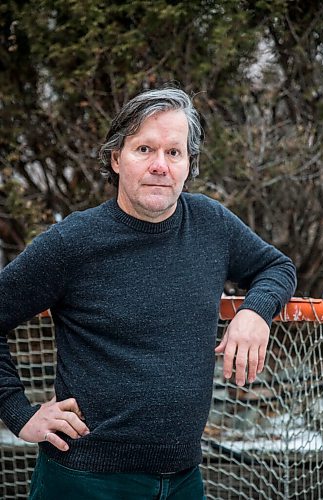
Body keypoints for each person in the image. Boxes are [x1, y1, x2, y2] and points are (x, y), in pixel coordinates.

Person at [0, 88, 296, 499]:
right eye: (144, 149)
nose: (160, 165)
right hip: (85, 480)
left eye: (174, 153)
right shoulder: (72, 242)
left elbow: (277, 267)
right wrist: (19, 413)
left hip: (184, 479)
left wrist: (255, 312)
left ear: (188, 164)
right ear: (115, 158)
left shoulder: (212, 224)